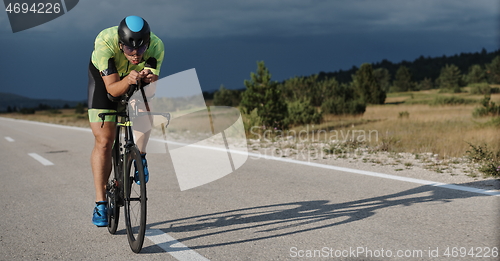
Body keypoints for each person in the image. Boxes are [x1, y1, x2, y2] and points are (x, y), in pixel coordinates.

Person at [87, 15, 164, 227]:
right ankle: (100, 203)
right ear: (121, 45)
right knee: (104, 141)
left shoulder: (157, 46)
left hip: (133, 80)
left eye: (141, 49)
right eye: (130, 50)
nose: (136, 55)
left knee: (143, 103)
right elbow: (112, 90)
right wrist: (127, 79)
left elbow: (152, 91)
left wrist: (149, 81)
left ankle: (141, 157)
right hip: (105, 82)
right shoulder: (104, 43)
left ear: (148, 43)